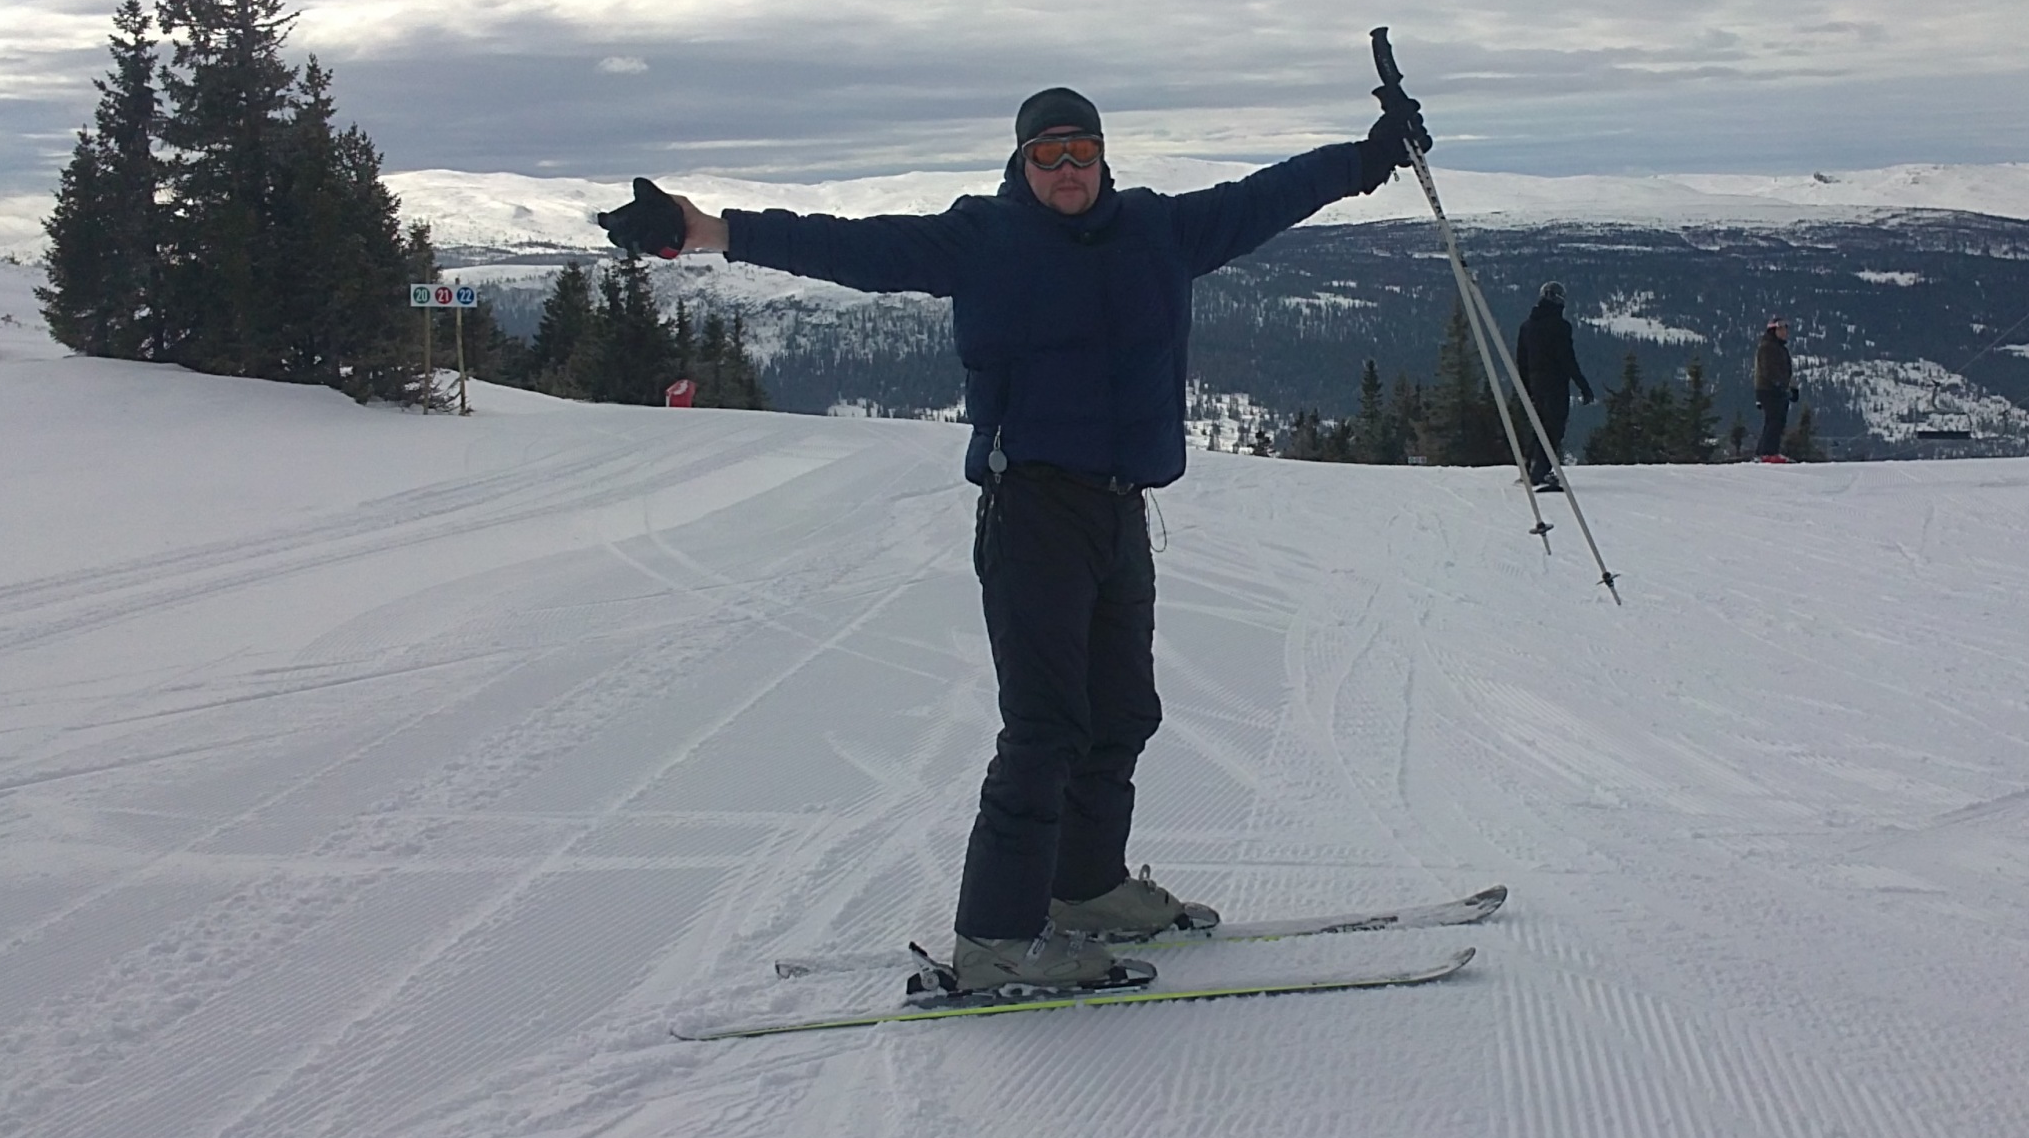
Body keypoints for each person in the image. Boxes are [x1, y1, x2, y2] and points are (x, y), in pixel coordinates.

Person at [603, 82, 1431, 996]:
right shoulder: (983, 239)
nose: (1067, 170)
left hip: (1121, 508)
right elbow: (849, 244)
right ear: (1022, 160)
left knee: (1121, 713)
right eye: (1048, 154)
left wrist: (1369, 158)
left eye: (1082, 152)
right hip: (1031, 510)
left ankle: (1084, 886)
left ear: (1104, 156)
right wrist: (707, 229)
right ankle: (996, 934)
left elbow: (1267, 196)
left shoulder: (1159, 230)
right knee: (1045, 727)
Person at [1513, 280, 1595, 491]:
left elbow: (1522, 361)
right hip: (1555, 384)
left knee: (1539, 425)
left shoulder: (1527, 326)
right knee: (1553, 428)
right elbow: (1567, 359)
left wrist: (1525, 388)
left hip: (1535, 384)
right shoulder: (1560, 327)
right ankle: (1540, 472)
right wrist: (1583, 385)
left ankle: (1529, 468)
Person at [1752, 317, 1795, 460]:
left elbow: (1787, 371)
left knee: (1777, 421)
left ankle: (1767, 452)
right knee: (1774, 420)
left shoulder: (1781, 349)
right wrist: (1779, 384)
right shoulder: (1767, 347)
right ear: (1773, 331)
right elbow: (1768, 370)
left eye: (1785, 329)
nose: (1784, 332)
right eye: (1781, 329)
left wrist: (1790, 387)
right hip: (1768, 390)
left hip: (1779, 389)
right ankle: (1767, 452)